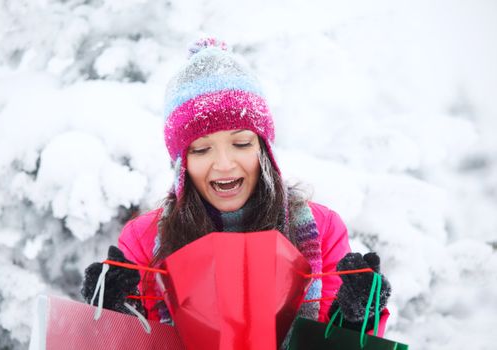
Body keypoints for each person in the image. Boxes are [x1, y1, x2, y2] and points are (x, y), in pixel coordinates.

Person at [81, 38, 391, 339]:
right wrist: (113, 318)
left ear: (264, 150)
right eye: (201, 150)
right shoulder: (144, 240)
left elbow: (334, 339)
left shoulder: (323, 230)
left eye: (241, 143)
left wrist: (357, 320)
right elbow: (133, 341)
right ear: (181, 164)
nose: (224, 164)